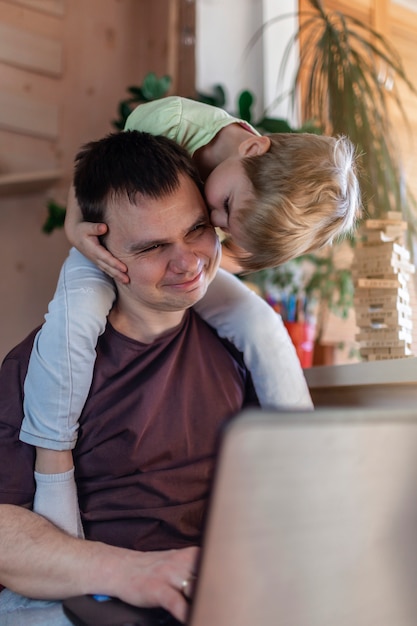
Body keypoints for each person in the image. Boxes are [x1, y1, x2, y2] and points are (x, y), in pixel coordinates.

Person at [21, 96, 361, 536]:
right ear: (253, 149)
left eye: (216, 224)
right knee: (74, 326)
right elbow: (99, 173)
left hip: (176, 257)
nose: (216, 219)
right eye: (221, 210)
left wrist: (200, 260)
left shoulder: (247, 196)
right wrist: (75, 229)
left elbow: (216, 257)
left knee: (262, 324)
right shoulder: (171, 121)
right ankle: (52, 462)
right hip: (103, 244)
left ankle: (302, 454)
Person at [0, 131, 261, 625]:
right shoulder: (42, 365)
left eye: (197, 228)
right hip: (84, 597)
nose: (187, 262)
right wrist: (130, 572)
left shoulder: (238, 351)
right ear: (99, 248)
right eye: (153, 247)